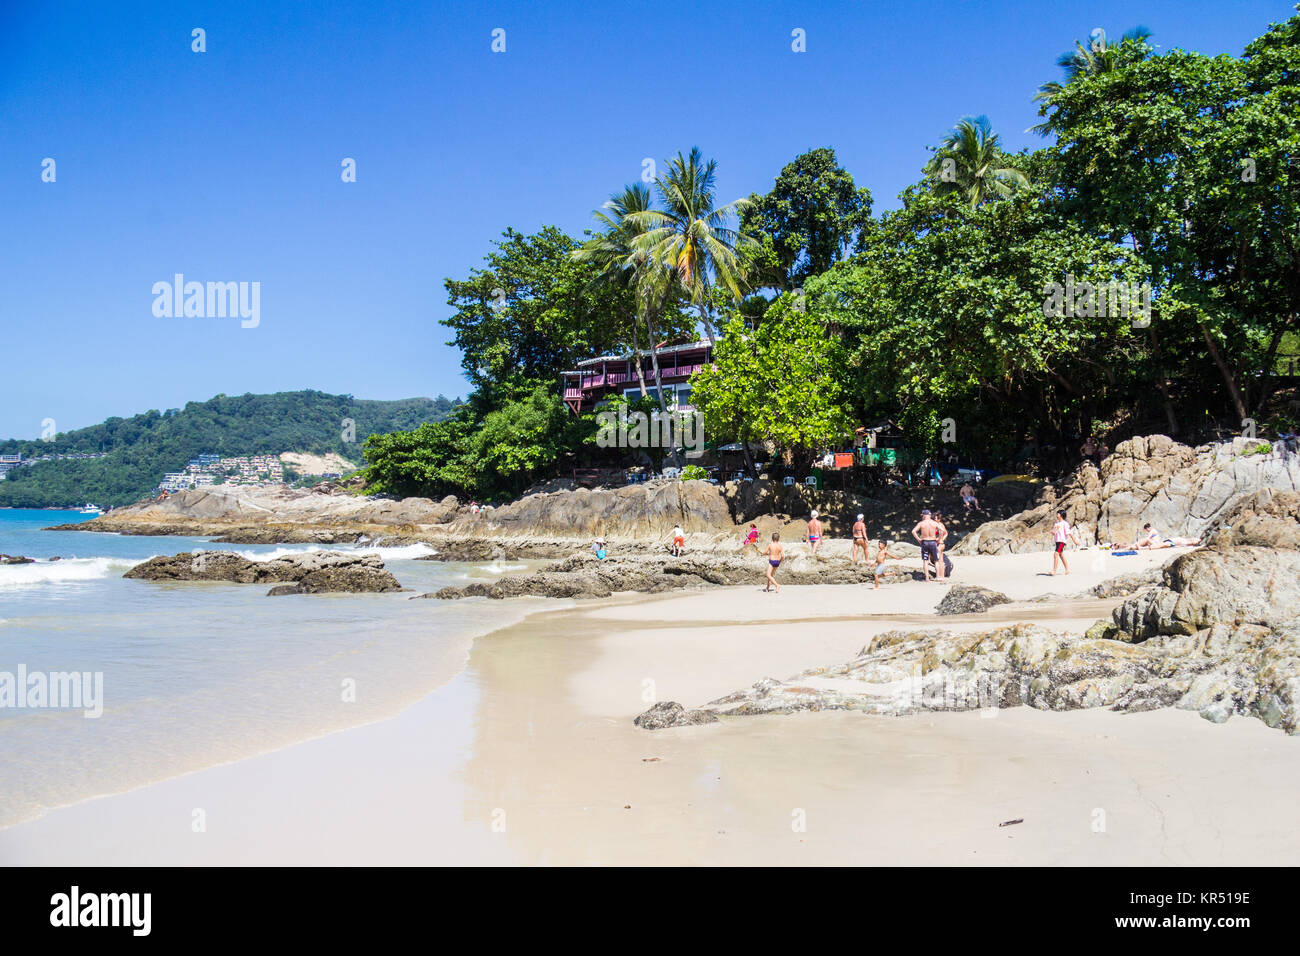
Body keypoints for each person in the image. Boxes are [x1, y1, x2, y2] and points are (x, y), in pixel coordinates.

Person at [911, 509, 946, 583]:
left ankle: (927, 578)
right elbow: (942, 530)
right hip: (933, 542)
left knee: (925, 561)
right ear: (929, 515)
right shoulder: (934, 523)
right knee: (936, 560)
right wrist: (938, 538)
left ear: (924, 515)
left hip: (925, 542)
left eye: (922, 515)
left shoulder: (921, 523)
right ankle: (937, 576)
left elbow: (913, 531)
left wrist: (919, 539)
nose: (922, 517)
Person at [1135, 523, 1200, 549]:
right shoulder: (1188, 541)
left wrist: (1197, 542)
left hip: (1172, 543)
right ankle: (1140, 547)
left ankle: (1142, 548)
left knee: (1160, 545)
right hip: (1171, 541)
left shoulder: (1188, 544)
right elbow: (1196, 540)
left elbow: (1196, 541)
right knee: (1160, 545)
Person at [1051, 510, 1076, 575]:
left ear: (1061, 515)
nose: (1057, 515)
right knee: (1061, 555)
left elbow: (1069, 533)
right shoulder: (1056, 524)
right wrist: (1053, 531)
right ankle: (1067, 570)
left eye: (1058, 514)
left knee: (1056, 554)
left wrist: (1074, 541)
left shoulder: (1065, 523)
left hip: (1062, 541)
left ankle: (1054, 571)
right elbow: (1054, 532)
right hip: (1057, 541)